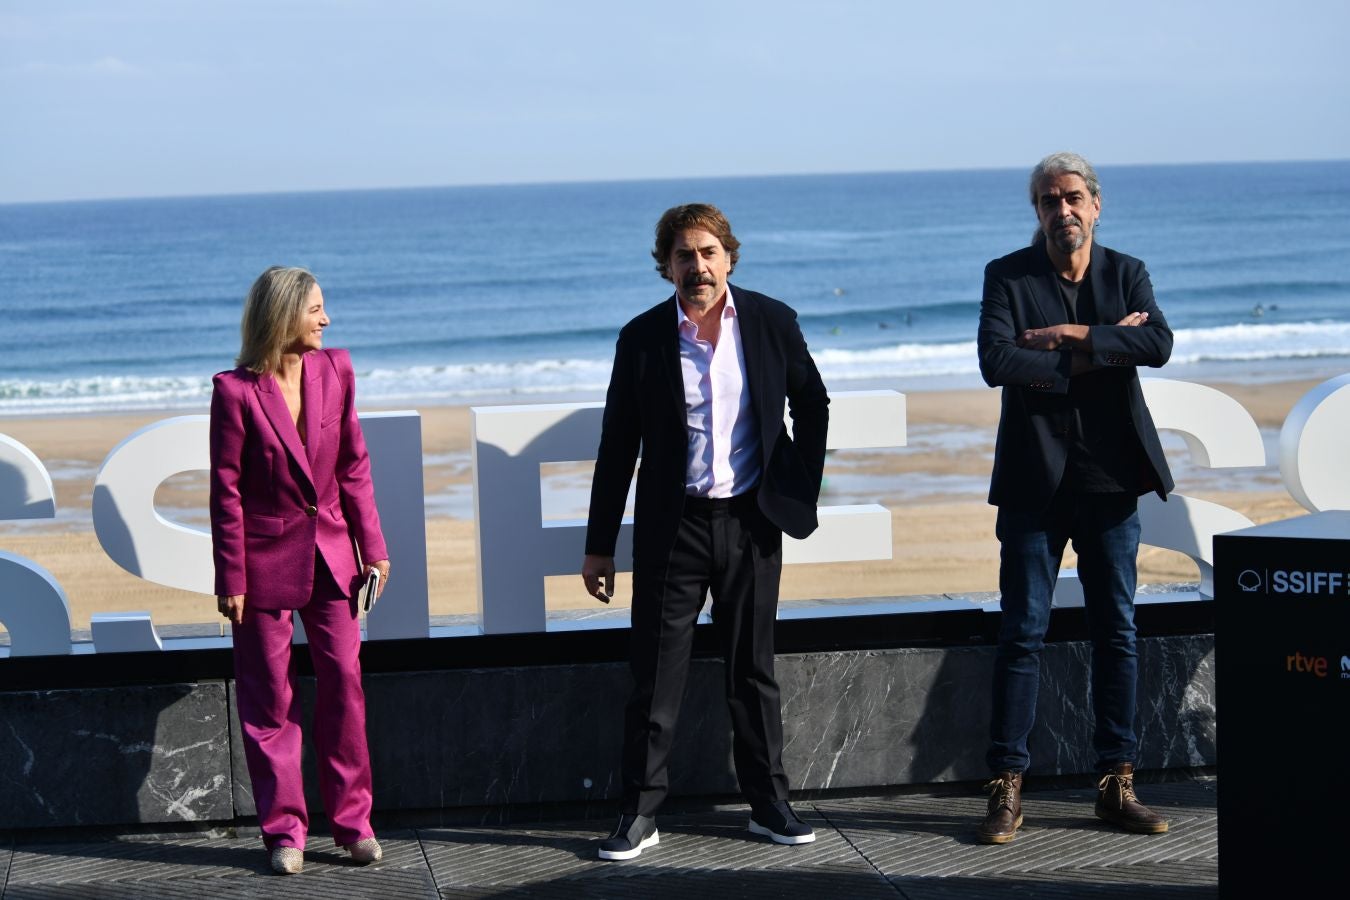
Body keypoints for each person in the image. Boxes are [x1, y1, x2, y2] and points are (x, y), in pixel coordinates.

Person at [582, 204, 830, 860]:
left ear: (730, 257)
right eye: (685, 255)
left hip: (752, 522)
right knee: (656, 678)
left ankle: (769, 804)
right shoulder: (641, 340)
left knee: (754, 672)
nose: (698, 266)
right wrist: (599, 542)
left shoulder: (772, 322)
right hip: (675, 528)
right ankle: (639, 813)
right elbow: (617, 445)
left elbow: (813, 400)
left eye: (709, 252)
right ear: (665, 266)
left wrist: (796, 485)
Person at [975, 153, 1175, 844]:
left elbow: (1158, 342)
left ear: (1096, 204)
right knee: (1021, 634)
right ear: (1036, 211)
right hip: (1034, 482)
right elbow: (997, 361)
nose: (1061, 211)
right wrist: (1101, 351)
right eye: (1047, 201)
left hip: (1113, 480)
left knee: (1117, 631)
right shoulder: (1008, 275)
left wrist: (1070, 336)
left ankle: (1116, 786)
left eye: (1072, 198)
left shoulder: (1126, 270)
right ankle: (1006, 789)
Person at [210, 266, 391, 874]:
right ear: (284, 314)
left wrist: (374, 547)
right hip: (261, 564)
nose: (326, 319)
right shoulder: (235, 391)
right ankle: (285, 832)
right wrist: (230, 576)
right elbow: (226, 491)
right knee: (269, 702)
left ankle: (353, 824)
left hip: (334, 554)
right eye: (315, 308)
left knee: (345, 682)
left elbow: (354, 467)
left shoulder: (336, 369)